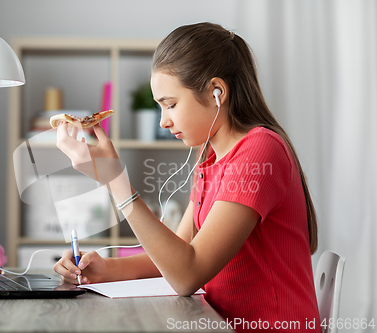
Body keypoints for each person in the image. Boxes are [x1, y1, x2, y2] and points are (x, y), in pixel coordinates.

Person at [54, 22, 320, 332]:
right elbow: (177, 254)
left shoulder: (260, 151)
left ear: (216, 91)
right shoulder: (210, 158)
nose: (164, 121)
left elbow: (186, 274)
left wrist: (116, 181)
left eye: (171, 104)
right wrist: (103, 269)